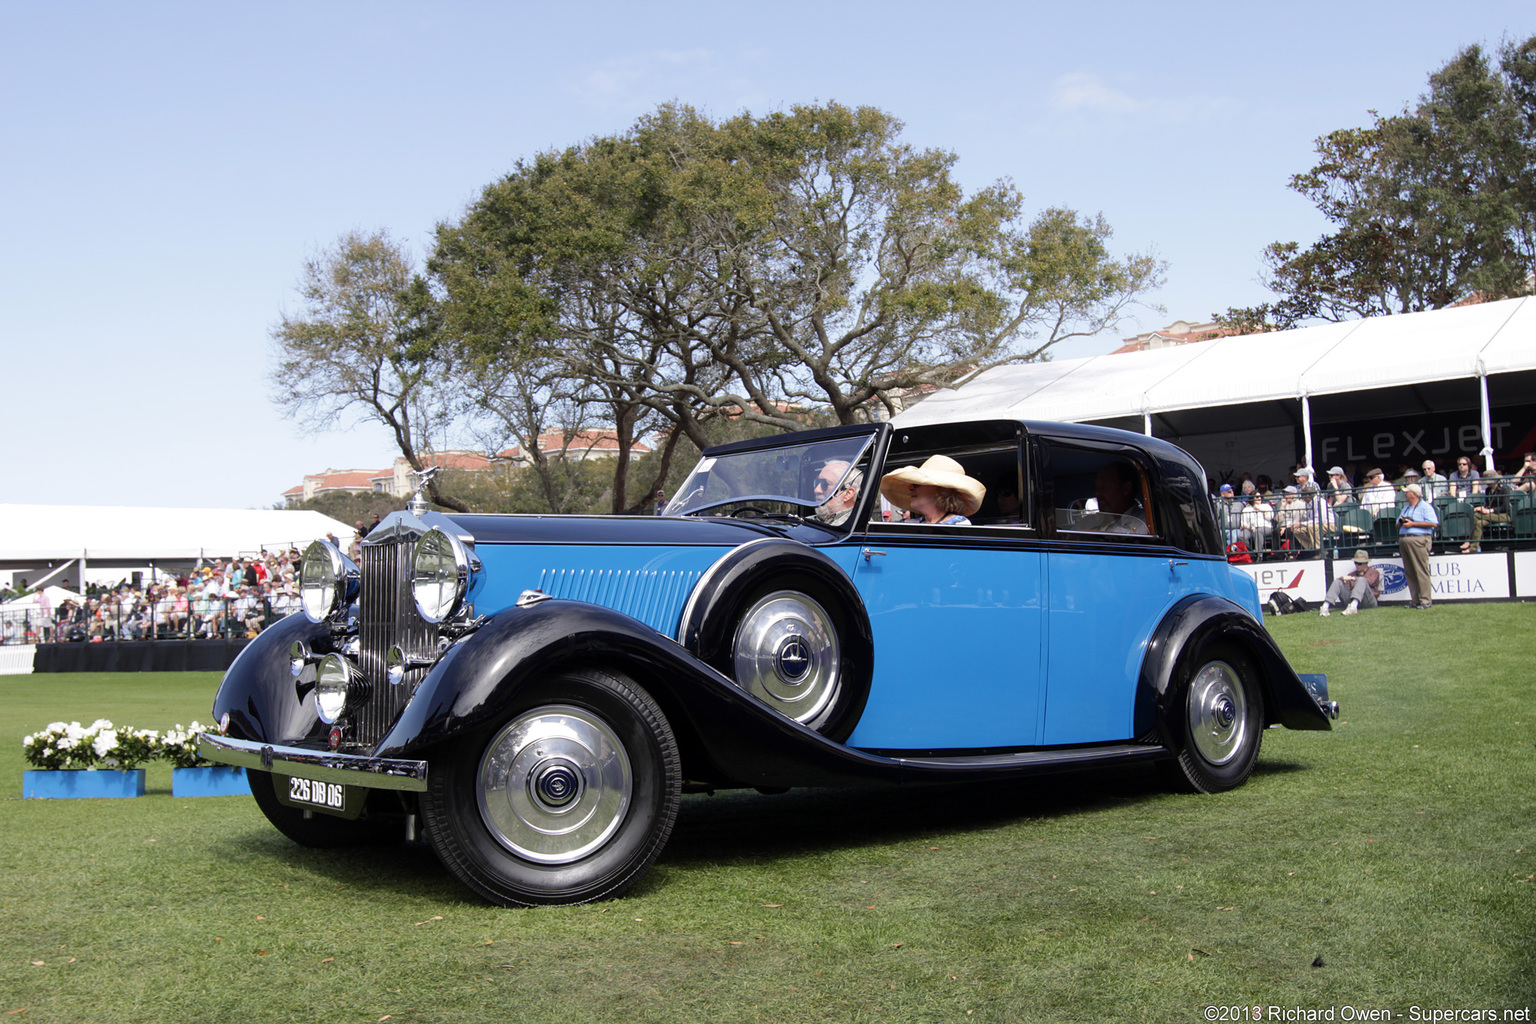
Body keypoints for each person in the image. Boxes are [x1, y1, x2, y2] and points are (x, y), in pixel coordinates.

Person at [880, 455, 985, 526]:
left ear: (942, 490)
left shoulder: (959, 525)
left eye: (917, 484)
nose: (910, 488)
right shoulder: (909, 525)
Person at [1070, 462, 1148, 534]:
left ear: (1126, 489)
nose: (1098, 494)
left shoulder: (1143, 523)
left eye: (1105, 487)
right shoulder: (1090, 520)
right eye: (1097, 488)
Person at [1397, 483, 1438, 609]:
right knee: (1410, 572)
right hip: (1405, 539)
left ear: (1414, 494)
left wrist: (1413, 524)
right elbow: (1397, 525)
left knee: (1420, 570)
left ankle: (1425, 600)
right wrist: (1401, 522)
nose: (1405, 494)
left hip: (1419, 540)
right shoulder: (1406, 508)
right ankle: (1415, 600)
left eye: (1407, 492)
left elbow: (1433, 523)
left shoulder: (1425, 507)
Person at [1319, 549, 1381, 617]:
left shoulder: (1374, 572)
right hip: (1351, 600)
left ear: (1366, 563)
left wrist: (1352, 578)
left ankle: (1353, 607)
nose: (1357, 565)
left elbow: (1370, 582)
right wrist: (1343, 581)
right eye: (1355, 563)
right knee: (1338, 582)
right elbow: (1347, 588)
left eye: (1359, 563)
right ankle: (1325, 607)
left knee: (1361, 580)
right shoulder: (1351, 574)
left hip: (1369, 602)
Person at [1463, 473, 1511, 553]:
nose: (1487, 483)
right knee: (1479, 522)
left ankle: (1469, 540)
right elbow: (1488, 504)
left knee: (1477, 515)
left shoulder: (1504, 489)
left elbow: (1504, 507)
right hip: (1491, 516)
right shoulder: (1488, 490)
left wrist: (1490, 511)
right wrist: (1482, 508)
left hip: (1504, 515)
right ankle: (1474, 548)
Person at [813, 461, 864, 526]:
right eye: (817, 482)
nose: (816, 490)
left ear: (847, 494)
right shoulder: (809, 520)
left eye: (825, 484)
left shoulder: (855, 527)